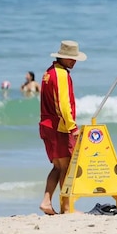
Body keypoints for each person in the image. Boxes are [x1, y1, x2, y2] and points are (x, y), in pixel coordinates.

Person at [39, 40, 87, 215]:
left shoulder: (48, 73)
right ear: (62, 57)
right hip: (59, 127)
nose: (74, 62)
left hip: (47, 125)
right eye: (71, 58)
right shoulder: (60, 74)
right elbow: (63, 105)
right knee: (66, 167)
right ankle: (66, 208)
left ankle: (46, 201)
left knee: (58, 167)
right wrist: (72, 127)